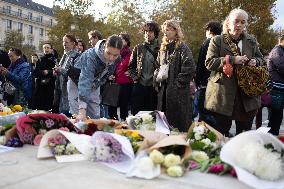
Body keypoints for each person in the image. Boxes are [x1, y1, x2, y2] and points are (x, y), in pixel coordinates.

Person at [205, 8, 265, 137]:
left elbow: (262, 59)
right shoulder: (217, 40)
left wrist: (255, 61)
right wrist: (233, 60)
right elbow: (209, 62)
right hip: (223, 95)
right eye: (236, 21)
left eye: (243, 22)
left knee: (244, 135)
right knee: (220, 135)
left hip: (246, 95)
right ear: (228, 23)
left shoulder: (251, 41)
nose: (239, 25)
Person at [154, 20, 195, 132]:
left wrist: (177, 84)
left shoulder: (182, 47)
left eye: (167, 30)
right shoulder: (163, 48)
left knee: (178, 125)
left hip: (178, 93)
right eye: (164, 30)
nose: (165, 32)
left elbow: (190, 68)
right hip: (164, 92)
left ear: (175, 30)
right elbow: (157, 66)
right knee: (164, 124)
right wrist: (157, 78)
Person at [76, 35, 123, 120]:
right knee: (78, 112)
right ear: (104, 47)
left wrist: (97, 84)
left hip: (95, 82)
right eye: (108, 53)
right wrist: (82, 111)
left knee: (94, 112)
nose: (111, 58)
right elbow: (85, 82)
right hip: (77, 79)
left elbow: (107, 74)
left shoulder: (118, 58)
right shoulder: (91, 56)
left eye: (115, 55)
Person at [128, 21, 160, 115]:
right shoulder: (138, 48)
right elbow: (130, 67)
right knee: (136, 115)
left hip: (153, 87)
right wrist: (135, 78)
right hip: (139, 86)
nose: (147, 34)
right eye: (146, 32)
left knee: (151, 116)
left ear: (155, 33)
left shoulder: (161, 48)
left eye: (150, 31)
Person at [195, 21, 222, 127]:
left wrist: (197, 80)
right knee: (215, 114)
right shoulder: (223, 43)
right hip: (219, 83)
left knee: (204, 114)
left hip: (206, 84)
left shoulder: (207, 43)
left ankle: (208, 138)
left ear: (209, 30)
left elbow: (201, 64)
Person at [53, 33, 80, 116]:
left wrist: (60, 70)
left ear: (73, 43)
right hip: (61, 89)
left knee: (69, 115)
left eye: (66, 42)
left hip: (70, 90)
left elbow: (74, 73)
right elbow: (61, 69)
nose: (64, 44)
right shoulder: (65, 54)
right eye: (63, 41)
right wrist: (56, 71)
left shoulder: (76, 56)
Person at [108, 33, 133, 120]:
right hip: (115, 81)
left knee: (124, 105)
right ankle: (113, 121)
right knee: (112, 104)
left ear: (126, 41)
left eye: (122, 39)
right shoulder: (115, 51)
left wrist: (131, 71)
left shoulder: (129, 52)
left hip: (125, 82)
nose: (120, 41)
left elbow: (128, 65)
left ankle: (124, 122)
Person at [267, 34, 284, 135]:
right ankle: (272, 137)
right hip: (276, 87)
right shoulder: (277, 51)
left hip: (280, 87)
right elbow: (282, 67)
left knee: (277, 115)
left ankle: (273, 135)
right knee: (275, 115)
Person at [33, 43, 56, 111]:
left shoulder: (55, 60)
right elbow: (35, 73)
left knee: (48, 106)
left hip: (50, 87)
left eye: (48, 48)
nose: (46, 49)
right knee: (40, 107)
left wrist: (48, 72)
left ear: (51, 49)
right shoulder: (40, 60)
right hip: (40, 87)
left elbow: (56, 72)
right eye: (44, 48)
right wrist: (43, 72)